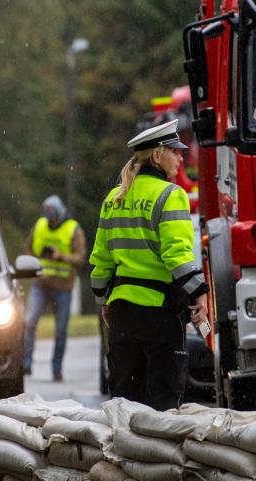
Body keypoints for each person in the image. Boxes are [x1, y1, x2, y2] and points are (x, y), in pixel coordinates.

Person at [89, 119, 210, 411]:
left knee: (124, 401)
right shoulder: (171, 195)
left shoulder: (114, 198)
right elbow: (177, 256)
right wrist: (200, 292)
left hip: (121, 314)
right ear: (157, 155)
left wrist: (104, 300)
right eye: (176, 152)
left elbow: (101, 260)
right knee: (162, 404)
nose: (181, 158)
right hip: (159, 314)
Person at [22, 195, 86, 381]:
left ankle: (56, 369)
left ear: (61, 214)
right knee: (29, 322)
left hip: (63, 287)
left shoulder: (74, 229)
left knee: (61, 330)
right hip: (40, 283)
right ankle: (26, 364)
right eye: (49, 218)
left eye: (54, 219)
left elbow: (80, 258)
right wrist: (35, 269)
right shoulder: (40, 225)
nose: (51, 222)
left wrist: (61, 256)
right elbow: (28, 249)